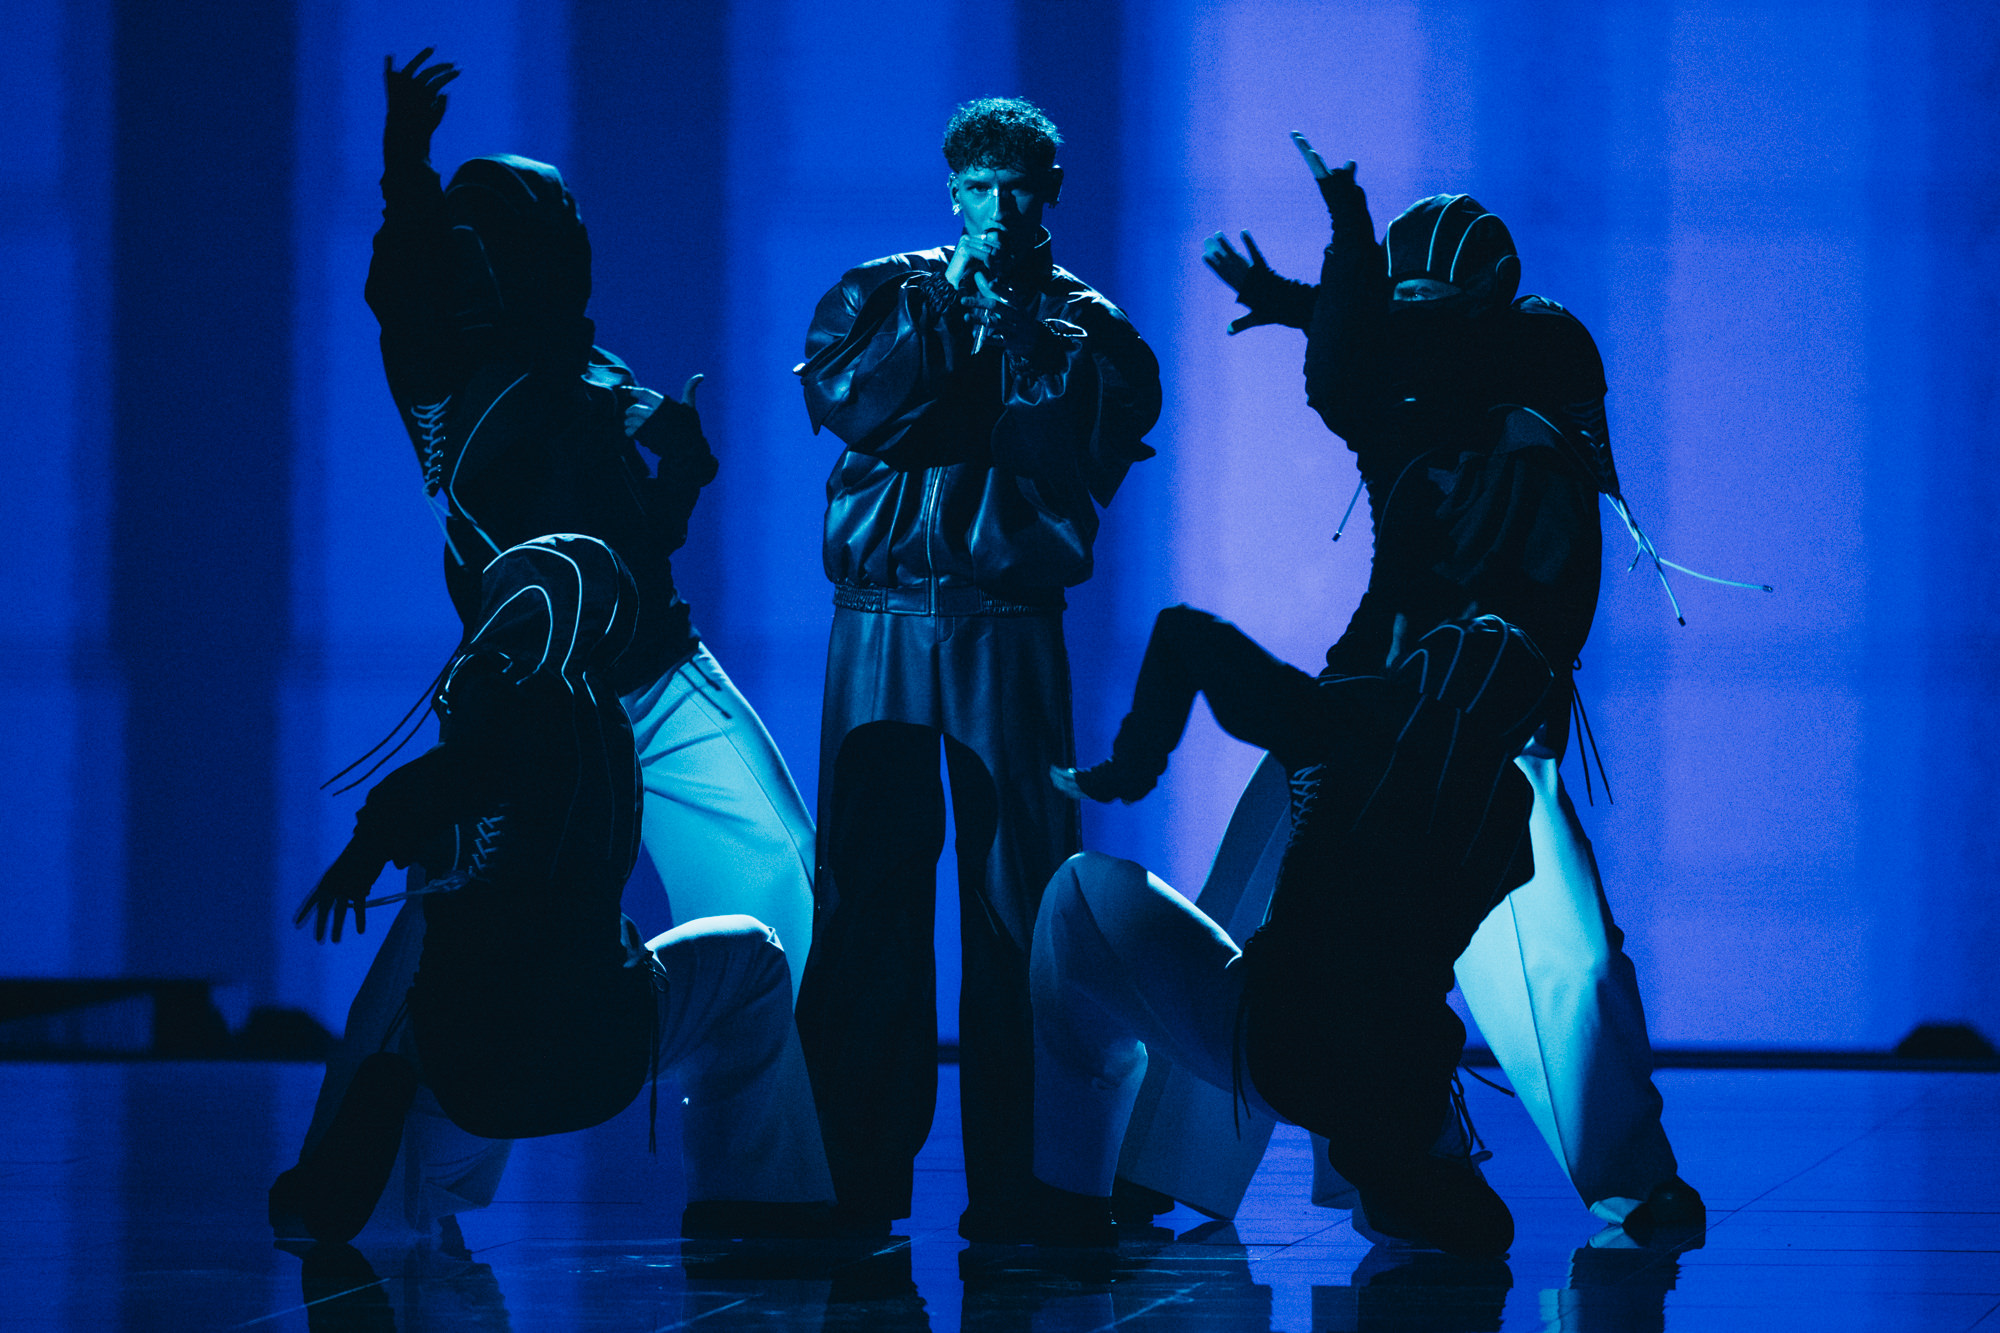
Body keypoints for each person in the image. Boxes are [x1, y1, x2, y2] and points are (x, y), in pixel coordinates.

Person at [1119, 136, 1701, 1239]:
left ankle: (1622, 1167)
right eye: (1404, 306)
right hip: (1369, 711)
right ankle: (1169, 1158)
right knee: (1257, 902)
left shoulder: (1536, 370)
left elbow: (1416, 358)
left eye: (1432, 308)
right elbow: (1382, 360)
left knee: (1561, 953)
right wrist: (1314, 297)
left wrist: (1328, 290)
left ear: (1483, 309)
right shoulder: (1424, 390)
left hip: (1483, 729)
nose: (1413, 327)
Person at [364, 50, 816, 999]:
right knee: (469, 950)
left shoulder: (596, 368)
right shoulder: (453, 379)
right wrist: (406, 162)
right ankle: (383, 1138)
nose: (570, 236)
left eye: (568, 219)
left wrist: (683, 473)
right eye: (540, 222)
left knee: (788, 889)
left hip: (658, 669)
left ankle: (793, 1121)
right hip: (535, 706)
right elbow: (403, 285)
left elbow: (629, 548)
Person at [792, 97, 1161, 1240]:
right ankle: (854, 1177)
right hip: (881, 619)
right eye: (984, 186)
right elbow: (855, 406)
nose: (1004, 207)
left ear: (1052, 193)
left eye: (1025, 186)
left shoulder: (1086, 325)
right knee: (866, 905)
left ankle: (1026, 1180)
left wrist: (1028, 362)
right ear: (952, 188)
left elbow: (1091, 443)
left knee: (1020, 905)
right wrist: (955, 323)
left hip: (1007, 621)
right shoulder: (881, 292)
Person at [274, 536, 834, 1245]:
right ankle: (760, 1203)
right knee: (756, 957)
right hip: (606, 1056)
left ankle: (375, 1190)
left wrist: (365, 851)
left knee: (411, 1009)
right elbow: (462, 779)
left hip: (476, 1081)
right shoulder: (608, 726)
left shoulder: (501, 708)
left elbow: (447, 778)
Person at [1039, 611, 1553, 1257]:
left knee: (1075, 893)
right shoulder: (1511, 822)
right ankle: (1422, 1159)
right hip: (1405, 1079)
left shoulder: (1349, 717)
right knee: (1387, 1023)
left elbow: (1179, 632)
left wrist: (1132, 765)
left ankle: (1070, 1196)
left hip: (1281, 1049)